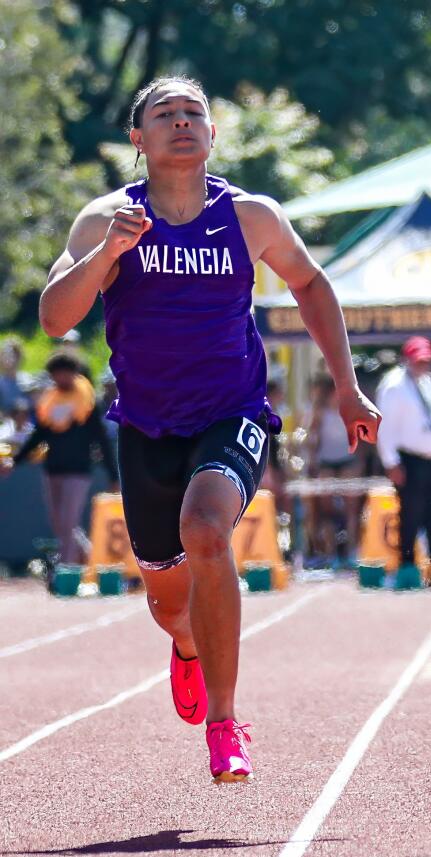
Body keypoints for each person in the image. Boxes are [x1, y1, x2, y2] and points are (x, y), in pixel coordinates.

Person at [38, 76, 380, 782]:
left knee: (206, 529)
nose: (182, 122)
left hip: (233, 414)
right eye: (165, 115)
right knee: (170, 606)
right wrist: (106, 255)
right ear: (139, 139)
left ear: (212, 134)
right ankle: (189, 649)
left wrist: (347, 388)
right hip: (145, 425)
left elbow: (311, 285)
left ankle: (226, 724)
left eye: (195, 112)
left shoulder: (249, 217)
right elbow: (53, 318)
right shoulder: (105, 218)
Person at [1, 353, 118, 564]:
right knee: (60, 525)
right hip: (53, 469)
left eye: (66, 373)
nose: (61, 378)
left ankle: (66, 571)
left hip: (79, 470)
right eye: (57, 374)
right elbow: (38, 436)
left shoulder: (87, 402)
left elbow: (102, 439)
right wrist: (15, 461)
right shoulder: (51, 401)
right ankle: (90, 560)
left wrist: (112, 474)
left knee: (67, 522)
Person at [375, 336, 431, 587]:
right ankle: (407, 569)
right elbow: (384, 426)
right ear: (406, 359)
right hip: (409, 460)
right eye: (419, 361)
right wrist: (391, 462)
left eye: (427, 361)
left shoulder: (427, 382)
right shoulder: (394, 386)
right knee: (410, 517)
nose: (423, 365)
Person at [302, 373, 364, 566]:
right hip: (326, 462)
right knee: (326, 510)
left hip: (347, 460)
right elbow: (311, 439)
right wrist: (311, 461)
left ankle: (353, 550)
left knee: (351, 509)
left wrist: (360, 461)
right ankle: (331, 554)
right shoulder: (319, 412)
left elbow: (360, 434)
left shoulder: (349, 409)